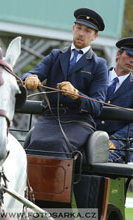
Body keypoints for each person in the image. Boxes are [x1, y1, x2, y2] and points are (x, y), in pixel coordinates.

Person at [22, 8, 108, 156]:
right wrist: (30, 77)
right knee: (34, 145)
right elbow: (32, 73)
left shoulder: (99, 65)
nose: (81, 33)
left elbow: (97, 106)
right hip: (50, 117)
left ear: (95, 36)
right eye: (79, 28)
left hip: (79, 121)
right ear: (73, 29)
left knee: (59, 145)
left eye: (87, 31)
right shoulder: (56, 55)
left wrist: (76, 95)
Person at [95, 37, 133, 163]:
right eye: (129, 55)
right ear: (118, 54)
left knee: (100, 160)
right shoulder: (97, 76)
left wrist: (115, 141)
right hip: (87, 135)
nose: (132, 60)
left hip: (118, 147)